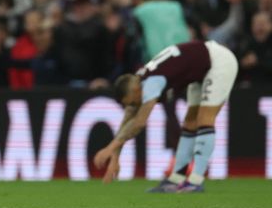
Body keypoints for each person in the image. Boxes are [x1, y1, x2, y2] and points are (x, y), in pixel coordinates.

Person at [94, 40, 238, 193]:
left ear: (136, 90)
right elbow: (127, 120)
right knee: (190, 122)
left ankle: (195, 181)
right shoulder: (138, 81)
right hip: (201, 68)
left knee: (204, 119)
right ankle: (177, 178)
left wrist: (109, 148)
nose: (135, 105)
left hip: (219, 62)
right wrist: (115, 156)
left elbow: (139, 123)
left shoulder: (151, 82)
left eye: (133, 102)